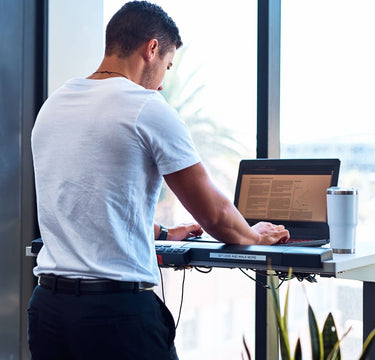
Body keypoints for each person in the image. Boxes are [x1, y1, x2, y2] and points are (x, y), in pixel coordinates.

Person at [27, 1, 290, 359]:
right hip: (114, 316)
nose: (163, 82)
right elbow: (214, 214)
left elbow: (86, 207)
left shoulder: (53, 105)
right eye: (167, 66)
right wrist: (254, 235)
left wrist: (165, 234)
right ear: (151, 49)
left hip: (48, 312)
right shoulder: (145, 107)